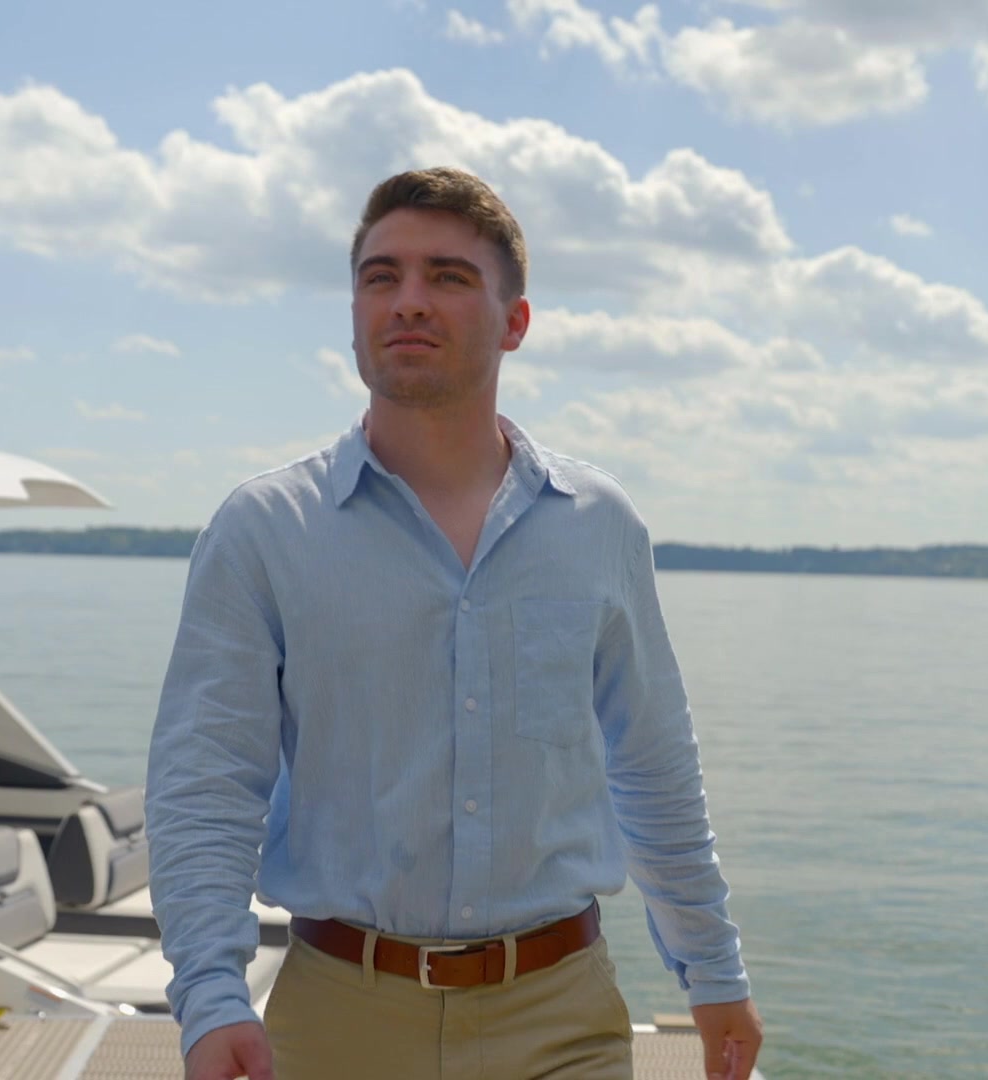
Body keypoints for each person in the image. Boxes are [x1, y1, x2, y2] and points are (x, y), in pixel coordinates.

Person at [146, 167, 761, 1080]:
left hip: (562, 1017)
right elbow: (205, 785)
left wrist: (712, 969)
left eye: (448, 276)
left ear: (515, 322)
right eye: (381, 276)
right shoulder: (265, 530)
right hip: (339, 1019)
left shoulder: (598, 524)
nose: (409, 300)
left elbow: (653, 763)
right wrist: (210, 995)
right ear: (354, 312)